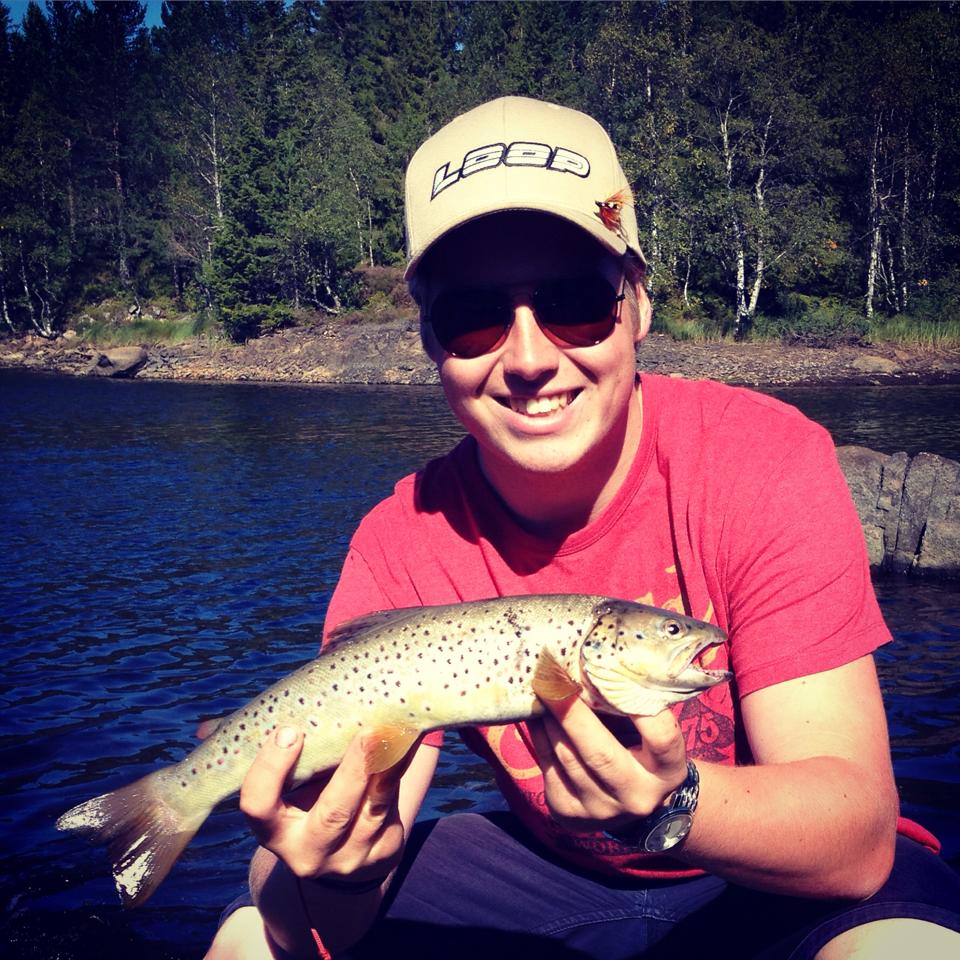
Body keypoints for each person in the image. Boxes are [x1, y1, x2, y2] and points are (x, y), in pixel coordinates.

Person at [206, 97, 960, 960]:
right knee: (253, 935)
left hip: (768, 875)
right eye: (473, 316)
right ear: (429, 341)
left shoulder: (763, 460)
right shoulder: (401, 538)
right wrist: (339, 870)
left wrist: (674, 804)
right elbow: (321, 920)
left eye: (573, 301)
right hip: (541, 877)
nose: (528, 359)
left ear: (637, 306)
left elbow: (857, 844)